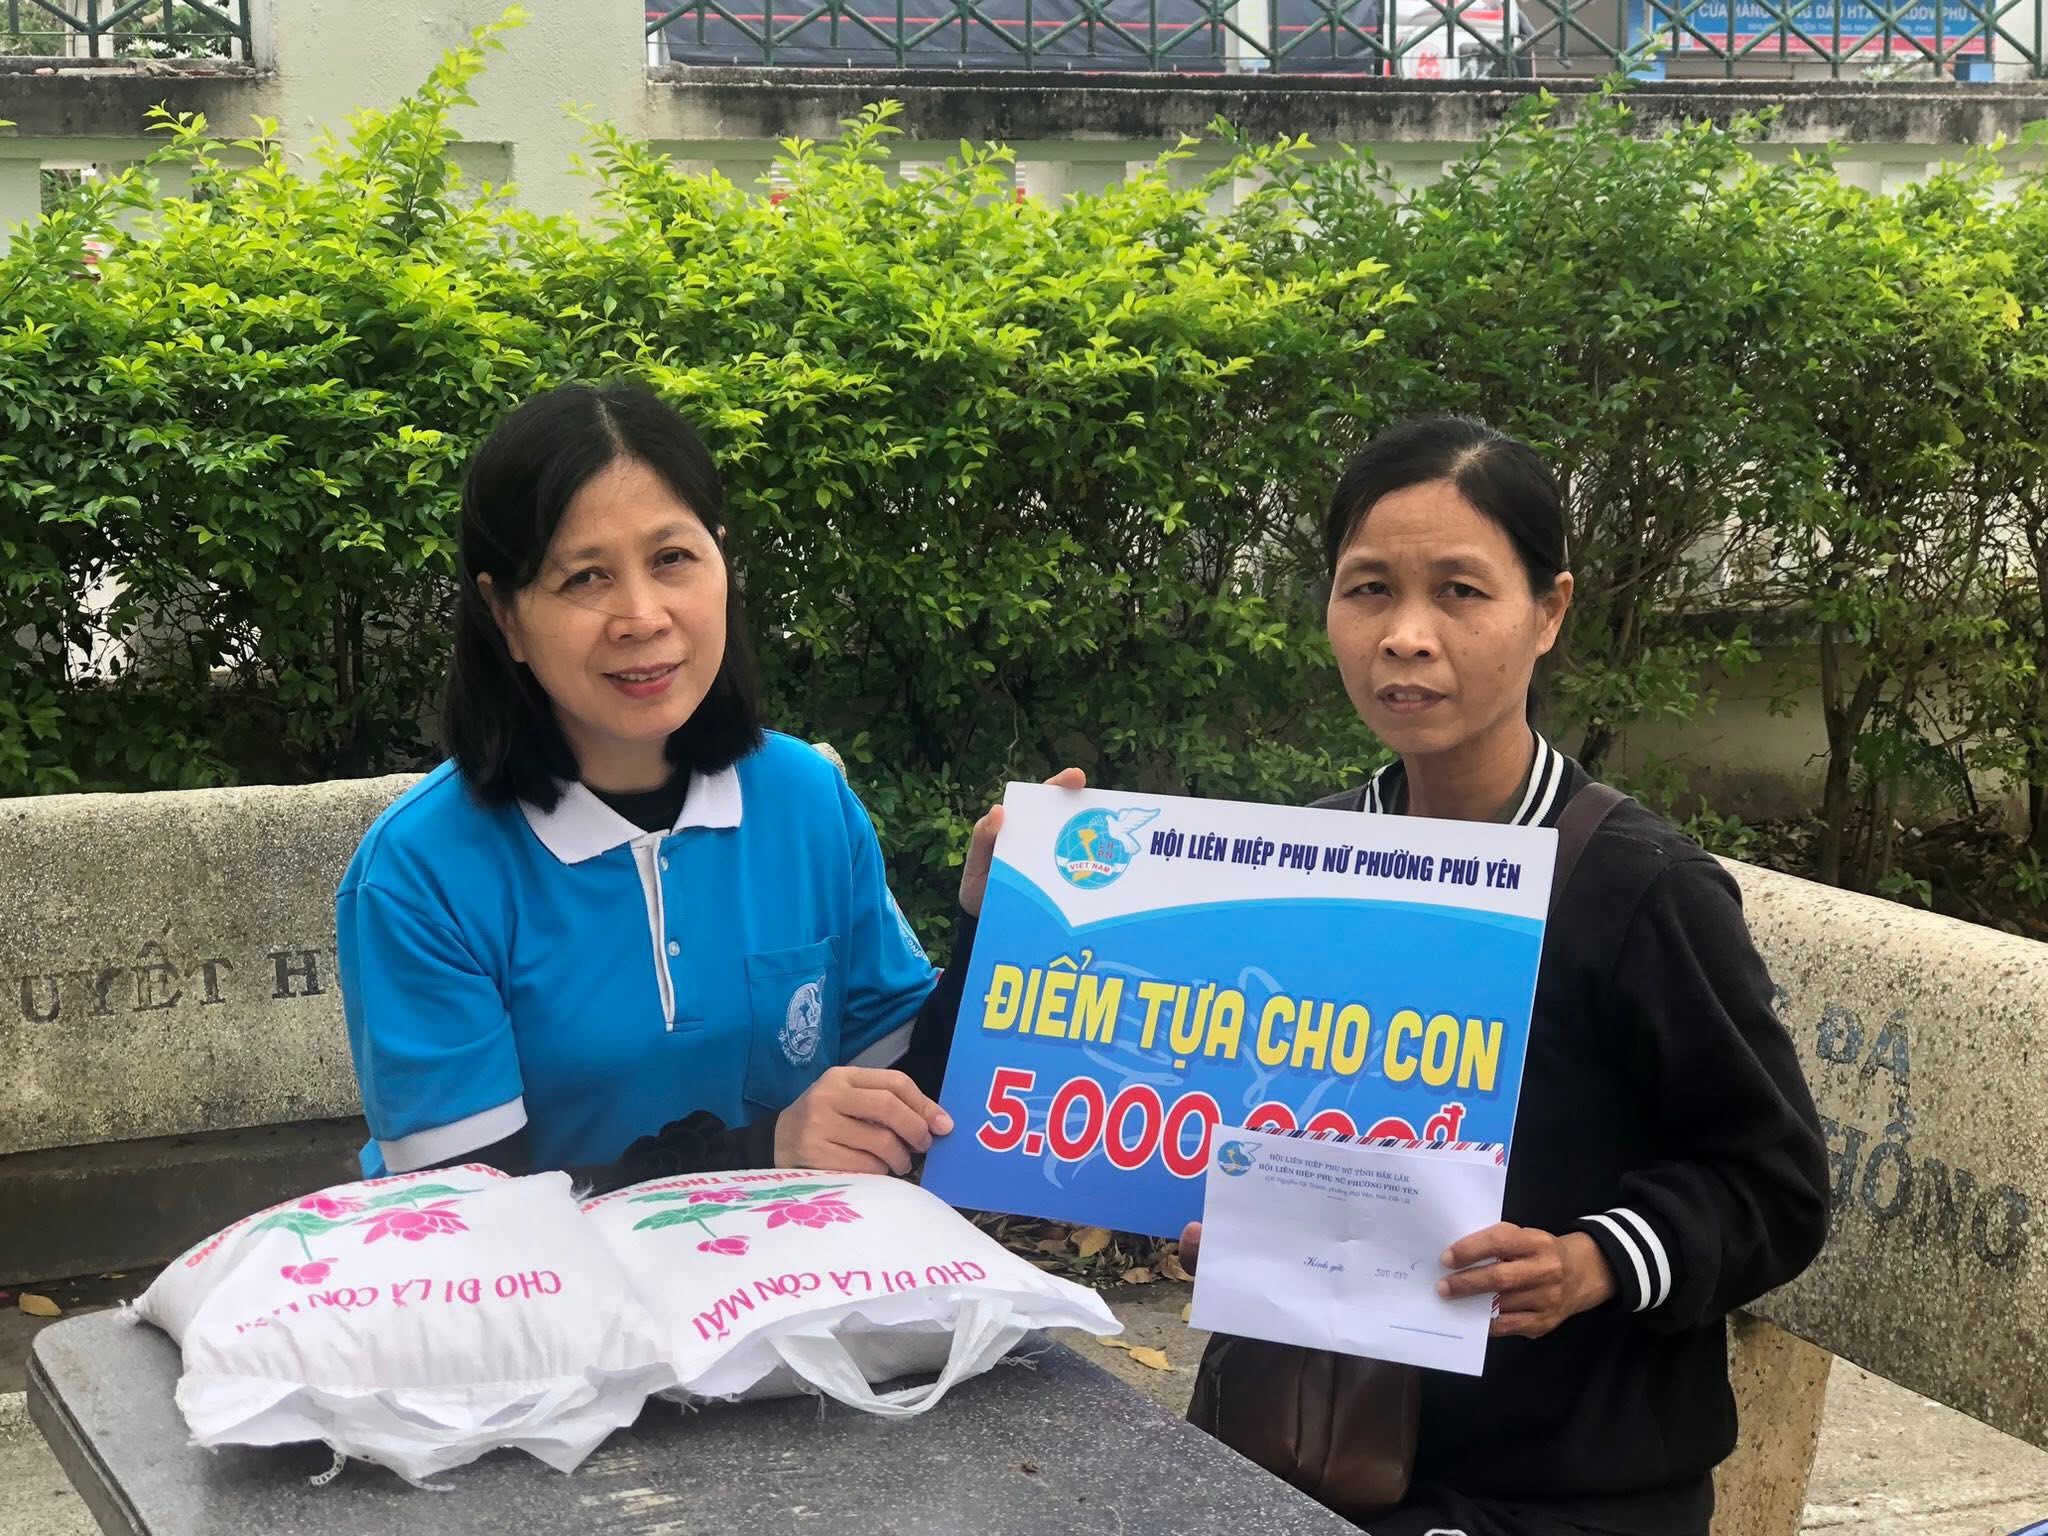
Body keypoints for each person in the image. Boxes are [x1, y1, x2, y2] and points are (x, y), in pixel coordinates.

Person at [1180, 417, 1830, 1536]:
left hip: (1556, 1488)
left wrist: (1593, 1260)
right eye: (1368, 589)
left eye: (1460, 592)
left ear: (1549, 611)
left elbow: (1775, 1185)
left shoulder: (1639, 890)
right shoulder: (1305, 861)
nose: (1406, 637)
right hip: (1296, 1443)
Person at [335, 381, 1074, 1189]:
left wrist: (992, 937)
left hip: (800, 1261)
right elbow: (464, 1206)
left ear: (723, 561)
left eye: (671, 559)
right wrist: (760, 1151)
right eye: (584, 577)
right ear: (504, 614)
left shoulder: (806, 800)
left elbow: (901, 1097)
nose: (642, 616)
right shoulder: (422, 872)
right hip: (541, 1277)